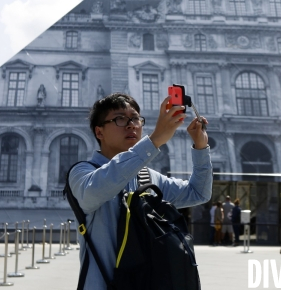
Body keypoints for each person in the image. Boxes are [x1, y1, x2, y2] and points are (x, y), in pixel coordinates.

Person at [68, 93, 212, 289]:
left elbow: (198, 193)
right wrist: (154, 140)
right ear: (99, 132)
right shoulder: (82, 173)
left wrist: (201, 147)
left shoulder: (147, 177)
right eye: (120, 119)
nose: (131, 125)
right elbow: (94, 193)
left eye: (135, 118)